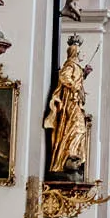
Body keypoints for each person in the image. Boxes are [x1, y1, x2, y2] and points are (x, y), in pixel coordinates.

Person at [44, 35, 91, 174]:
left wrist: (84, 74)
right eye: (81, 52)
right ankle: (68, 155)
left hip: (75, 102)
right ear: (75, 52)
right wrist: (75, 87)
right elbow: (64, 77)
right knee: (76, 128)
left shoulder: (76, 67)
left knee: (79, 128)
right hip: (69, 103)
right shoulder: (70, 65)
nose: (83, 54)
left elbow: (76, 79)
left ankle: (72, 153)